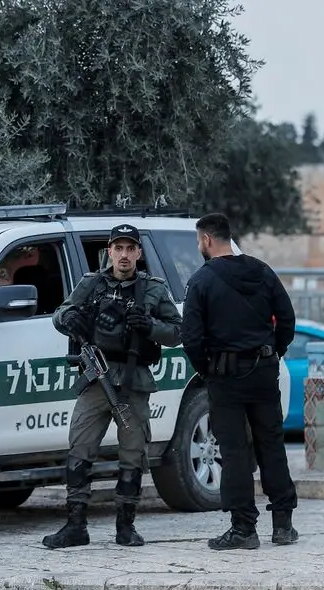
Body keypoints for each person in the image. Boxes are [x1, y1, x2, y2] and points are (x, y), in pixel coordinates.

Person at [43, 224, 183, 549]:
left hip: (133, 381)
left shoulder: (153, 289)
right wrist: (67, 320)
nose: (123, 255)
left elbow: (178, 333)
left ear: (138, 253)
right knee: (79, 447)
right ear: (109, 251)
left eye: (129, 248)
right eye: (117, 248)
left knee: (133, 453)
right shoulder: (91, 284)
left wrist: (150, 326)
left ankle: (126, 526)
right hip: (95, 379)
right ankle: (75, 525)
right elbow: (61, 312)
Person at [181, 213, 299, 550]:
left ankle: (244, 529)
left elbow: (191, 336)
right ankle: (283, 526)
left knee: (233, 451)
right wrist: (274, 351)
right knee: (271, 445)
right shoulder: (262, 271)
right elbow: (287, 318)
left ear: (206, 239)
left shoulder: (201, 281)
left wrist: (207, 368)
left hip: (225, 377)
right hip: (263, 371)